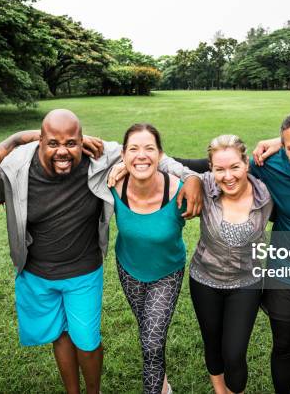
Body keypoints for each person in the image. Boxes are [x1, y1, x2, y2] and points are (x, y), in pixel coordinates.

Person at [0, 110, 202, 394]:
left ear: (81, 141)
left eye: (72, 142)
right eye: (52, 142)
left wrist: (189, 177)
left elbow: (146, 154)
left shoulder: (98, 156)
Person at [110, 123, 194, 394]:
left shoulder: (182, 192)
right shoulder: (113, 185)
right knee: (149, 331)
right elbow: (80, 144)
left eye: (149, 148)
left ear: (161, 154)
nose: (141, 155)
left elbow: (221, 175)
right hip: (129, 267)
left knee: (152, 343)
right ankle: (164, 383)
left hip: (167, 272)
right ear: (123, 155)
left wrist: (194, 180)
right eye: (133, 149)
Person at [187, 135, 273, 394]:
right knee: (212, 343)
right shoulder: (203, 186)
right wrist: (124, 162)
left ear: (246, 164)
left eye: (234, 166)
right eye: (219, 169)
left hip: (246, 282)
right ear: (210, 168)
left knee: (234, 353)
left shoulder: (266, 193)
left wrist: (277, 142)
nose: (228, 176)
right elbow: (165, 162)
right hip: (204, 280)